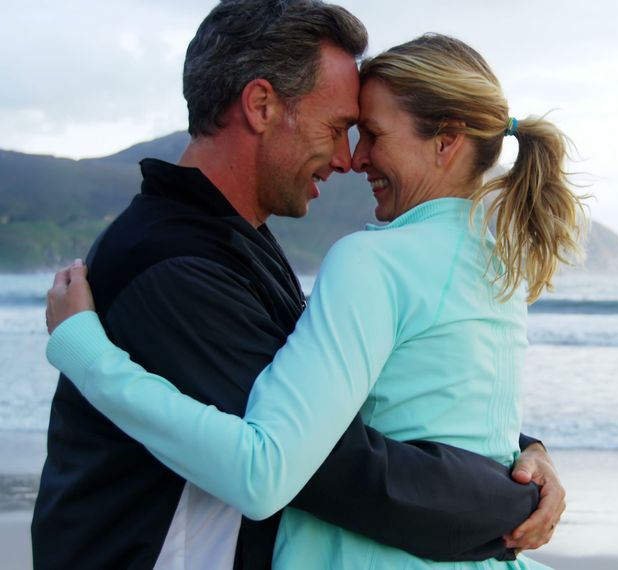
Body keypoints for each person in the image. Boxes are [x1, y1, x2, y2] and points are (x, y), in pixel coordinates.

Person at [32, 3, 564, 570]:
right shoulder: (174, 263)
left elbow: (373, 393)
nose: (347, 159)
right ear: (261, 105)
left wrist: (524, 453)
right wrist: (510, 497)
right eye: (338, 129)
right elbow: (327, 470)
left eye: (363, 134)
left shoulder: (239, 243)